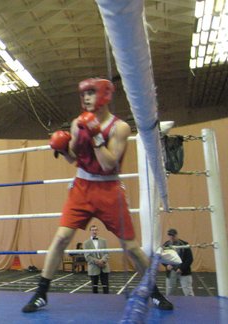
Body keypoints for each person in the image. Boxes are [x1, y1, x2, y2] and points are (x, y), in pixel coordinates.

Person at [22, 78, 173, 313]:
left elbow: (108, 164)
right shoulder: (76, 123)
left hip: (109, 189)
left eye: (91, 93)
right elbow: (74, 158)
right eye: (84, 94)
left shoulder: (119, 127)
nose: (86, 98)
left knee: (130, 246)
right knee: (61, 237)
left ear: (104, 95)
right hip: (82, 187)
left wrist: (95, 135)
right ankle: (41, 293)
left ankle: (154, 292)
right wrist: (62, 148)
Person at [163, 228, 194, 296]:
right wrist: (166, 265)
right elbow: (162, 258)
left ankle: (191, 305)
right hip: (171, 272)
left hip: (184, 272)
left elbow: (190, 259)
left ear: (177, 235)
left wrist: (181, 268)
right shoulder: (166, 245)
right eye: (170, 235)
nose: (171, 237)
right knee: (169, 293)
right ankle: (169, 305)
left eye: (173, 235)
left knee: (188, 292)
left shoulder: (185, 244)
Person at [83, 225, 110, 294]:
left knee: (106, 287)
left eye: (96, 230)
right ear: (90, 231)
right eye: (93, 230)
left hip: (104, 266)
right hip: (93, 267)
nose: (94, 231)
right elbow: (87, 256)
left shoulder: (104, 241)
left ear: (97, 231)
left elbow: (107, 253)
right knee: (94, 288)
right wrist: (98, 262)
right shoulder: (86, 243)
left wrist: (102, 261)